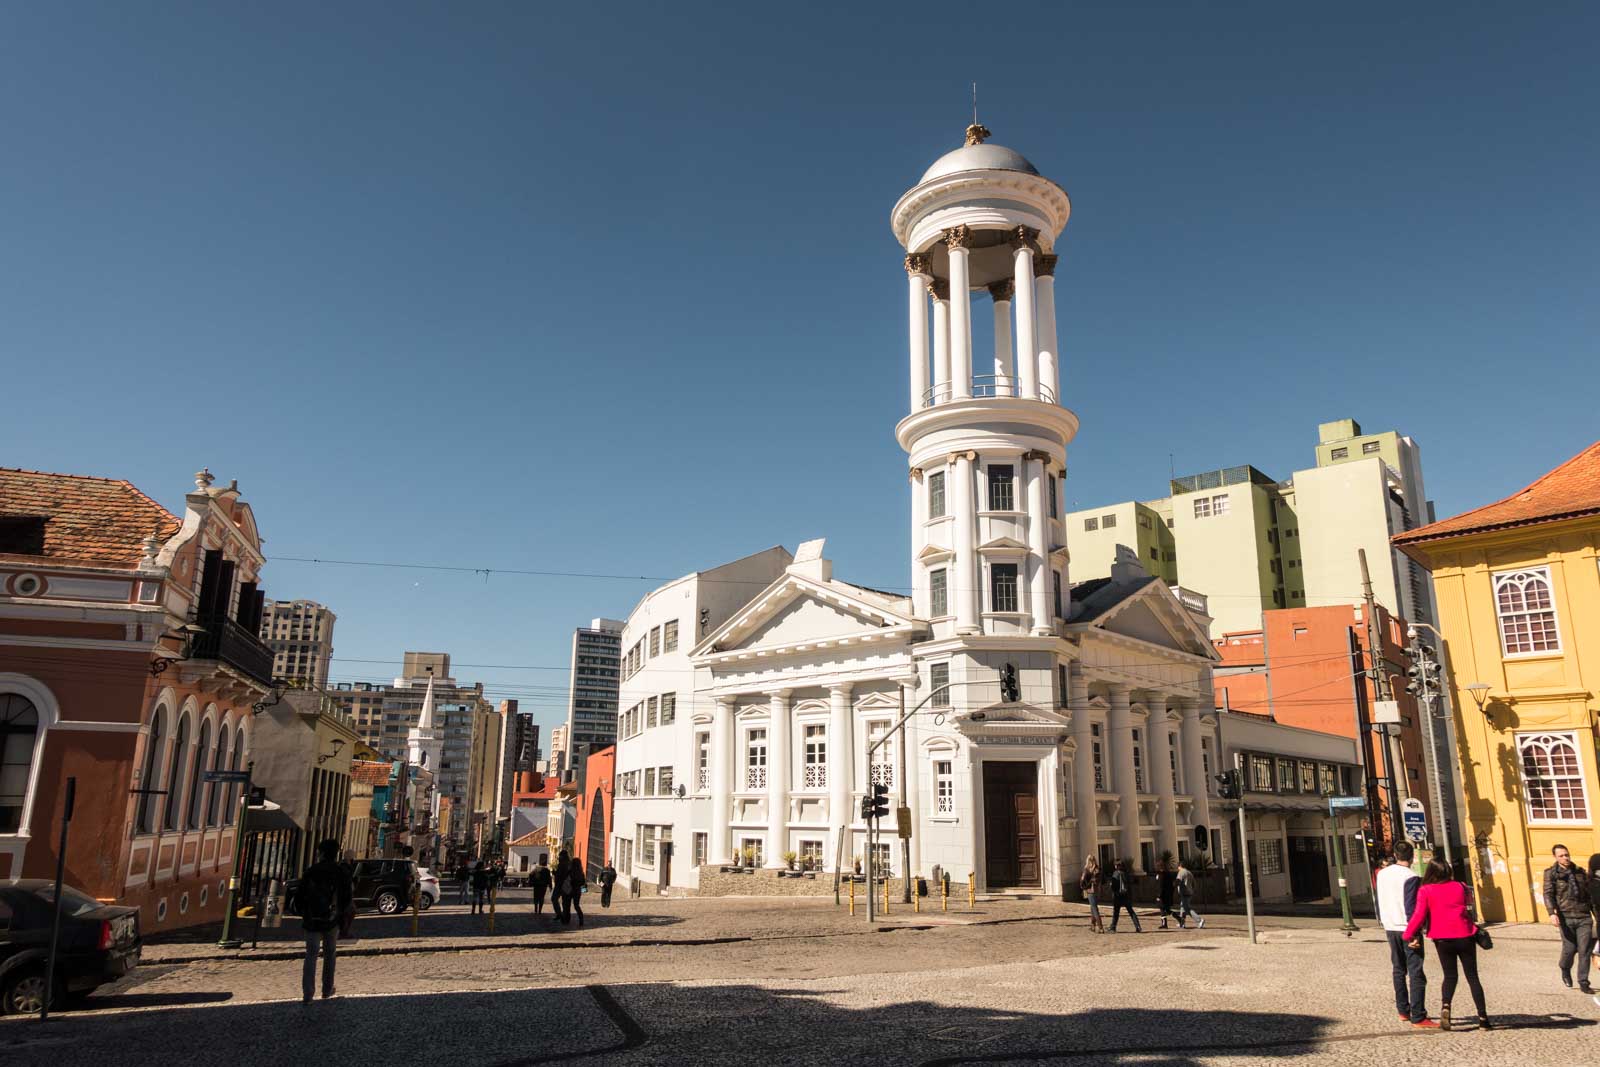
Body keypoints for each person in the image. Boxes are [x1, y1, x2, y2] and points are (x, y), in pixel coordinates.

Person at [1404, 858, 1490, 1031]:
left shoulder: (1425, 890)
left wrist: (1408, 935)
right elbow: (1468, 907)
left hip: (1442, 938)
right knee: (1472, 976)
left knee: (1450, 976)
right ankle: (1483, 1018)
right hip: (1465, 935)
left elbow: (1419, 915)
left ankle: (1446, 1007)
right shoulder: (1460, 886)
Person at [1376, 839, 1432, 1028]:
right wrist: (1415, 932)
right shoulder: (1411, 876)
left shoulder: (1382, 874)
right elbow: (1411, 906)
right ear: (1412, 856)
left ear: (1395, 855)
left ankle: (1403, 1010)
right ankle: (1418, 1015)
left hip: (1389, 925)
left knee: (1398, 969)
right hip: (1407, 927)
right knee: (1416, 971)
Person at [296, 839, 353, 1005]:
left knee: (311, 955)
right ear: (336, 853)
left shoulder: (311, 871)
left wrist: (303, 913)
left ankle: (308, 993)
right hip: (332, 920)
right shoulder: (340, 872)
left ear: (320, 853)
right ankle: (327, 990)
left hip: (312, 920)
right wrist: (341, 915)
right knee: (330, 954)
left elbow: (300, 896)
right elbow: (347, 897)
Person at [1544, 844, 1594, 994]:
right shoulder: (1551, 874)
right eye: (1561, 856)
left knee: (1584, 949)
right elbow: (1548, 894)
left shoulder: (1580, 872)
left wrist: (1596, 915)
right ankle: (1565, 968)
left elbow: (1589, 895)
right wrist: (1551, 913)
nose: (1565, 858)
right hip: (1565, 916)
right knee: (1570, 949)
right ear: (1555, 857)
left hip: (1584, 916)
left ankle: (1583, 981)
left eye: (1566, 854)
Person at [1108, 859, 1141, 933]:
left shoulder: (1116, 873)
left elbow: (1114, 885)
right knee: (1131, 911)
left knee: (1116, 912)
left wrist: (1112, 888)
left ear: (1117, 866)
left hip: (1118, 895)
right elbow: (1131, 882)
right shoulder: (1126, 873)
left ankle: (1113, 927)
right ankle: (1138, 926)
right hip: (1126, 895)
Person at [1174, 859, 1203, 929]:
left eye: (1178, 867)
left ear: (1180, 866)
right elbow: (1194, 883)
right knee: (1182, 907)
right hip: (1189, 892)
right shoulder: (1189, 873)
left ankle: (1199, 920)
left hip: (1184, 892)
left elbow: (1178, 881)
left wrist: (1173, 886)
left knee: (1186, 908)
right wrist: (1192, 890)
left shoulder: (1181, 872)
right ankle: (1182, 922)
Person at [1079, 857, 1104, 934]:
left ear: (1088, 861)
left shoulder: (1087, 870)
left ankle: (1100, 927)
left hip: (1090, 891)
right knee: (1092, 908)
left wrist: (1084, 887)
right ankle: (1092, 925)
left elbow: (1082, 880)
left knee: (1094, 909)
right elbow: (1102, 879)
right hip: (1097, 891)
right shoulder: (1098, 869)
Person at [1155, 859, 1177, 930]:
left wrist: (1159, 896)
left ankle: (1164, 924)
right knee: (1167, 910)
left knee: (1162, 909)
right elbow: (1172, 885)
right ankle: (1179, 919)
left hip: (1163, 896)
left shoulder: (1161, 875)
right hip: (1168, 895)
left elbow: (1160, 886)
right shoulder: (1169, 874)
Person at [566, 857, 587, 928]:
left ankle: (567, 919)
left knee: (567, 904)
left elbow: (567, 879)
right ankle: (581, 920)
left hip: (570, 890)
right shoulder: (581, 873)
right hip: (577, 890)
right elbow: (583, 882)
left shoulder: (570, 871)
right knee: (576, 906)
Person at [551, 852, 571, 923]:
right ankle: (563, 916)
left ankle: (560, 915)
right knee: (565, 902)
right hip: (565, 885)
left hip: (560, 885)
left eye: (560, 856)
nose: (559, 857)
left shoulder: (563, 864)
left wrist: (554, 873)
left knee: (554, 899)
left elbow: (561, 875)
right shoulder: (568, 864)